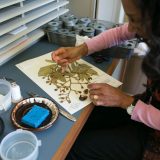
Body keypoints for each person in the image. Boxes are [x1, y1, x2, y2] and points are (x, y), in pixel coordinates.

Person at [52, 0, 160, 159]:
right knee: (87, 119)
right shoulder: (150, 25)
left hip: (154, 138)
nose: (130, 27)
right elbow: (119, 33)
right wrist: (81, 50)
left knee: (73, 149)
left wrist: (125, 101)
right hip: (147, 106)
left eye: (134, 19)